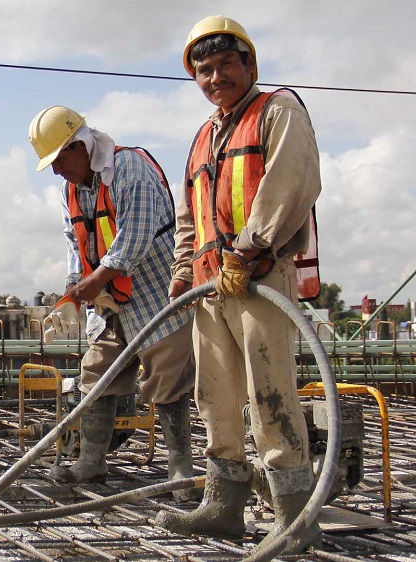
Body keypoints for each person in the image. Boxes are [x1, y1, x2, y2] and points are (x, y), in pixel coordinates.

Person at [157, 16, 322, 554]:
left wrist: (250, 247)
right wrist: (184, 269)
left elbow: (289, 181)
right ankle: (224, 507)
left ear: (249, 64)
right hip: (210, 287)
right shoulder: (205, 136)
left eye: (226, 64)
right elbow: (192, 213)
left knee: (269, 395)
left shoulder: (278, 112)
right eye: (203, 70)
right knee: (216, 398)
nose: (215, 76)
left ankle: (295, 520)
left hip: (259, 277)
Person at [28, 105, 198, 501]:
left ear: (80, 145)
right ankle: (92, 461)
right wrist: (74, 288)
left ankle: (180, 472)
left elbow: (134, 239)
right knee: (97, 373)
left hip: (155, 293)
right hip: (110, 300)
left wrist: (93, 282)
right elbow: (76, 242)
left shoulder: (129, 170)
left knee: (168, 380)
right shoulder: (72, 188)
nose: (56, 170)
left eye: (58, 160)